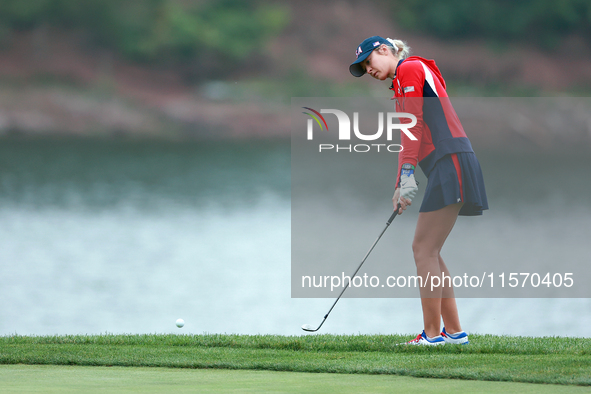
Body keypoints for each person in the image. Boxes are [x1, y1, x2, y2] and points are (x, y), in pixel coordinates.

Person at [349, 36, 488, 345]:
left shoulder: (411, 68)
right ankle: (454, 333)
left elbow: (414, 126)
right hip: (448, 163)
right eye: (363, 68)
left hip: (451, 161)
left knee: (422, 249)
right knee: (431, 251)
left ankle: (432, 335)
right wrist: (402, 183)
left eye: (368, 63)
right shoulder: (401, 81)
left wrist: (409, 175)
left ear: (384, 50)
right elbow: (408, 137)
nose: (368, 70)